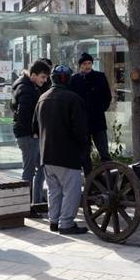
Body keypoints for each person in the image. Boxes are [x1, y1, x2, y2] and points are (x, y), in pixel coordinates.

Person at [33, 65, 90, 235]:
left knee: (54, 190)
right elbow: (80, 131)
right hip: (68, 154)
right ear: (67, 79)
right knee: (71, 191)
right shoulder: (73, 99)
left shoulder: (42, 98)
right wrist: (84, 151)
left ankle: (54, 221)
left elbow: (34, 127)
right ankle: (66, 224)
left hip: (47, 154)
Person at [10, 60, 51, 217]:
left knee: (39, 167)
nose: (44, 80)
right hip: (28, 135)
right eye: (42, 77)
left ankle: (35, 201)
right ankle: (25, 206)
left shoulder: (27, 85)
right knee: (29, 170)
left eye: (46, 77)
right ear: (33, 75)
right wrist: (34, 131)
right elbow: (24, 114)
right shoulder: (26, 89)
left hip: (31, 134)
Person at [70, 52, 112, 174]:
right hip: (82, 122)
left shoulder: (100, 77)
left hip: (98, 120)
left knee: (104, 152)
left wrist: (100, 109)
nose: (87, 66)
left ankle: (109, 176)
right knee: (84, 153)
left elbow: (107, 97)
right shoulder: (74, 80)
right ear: (80, 65)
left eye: (89, 63)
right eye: (84, 63)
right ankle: (89, 179)